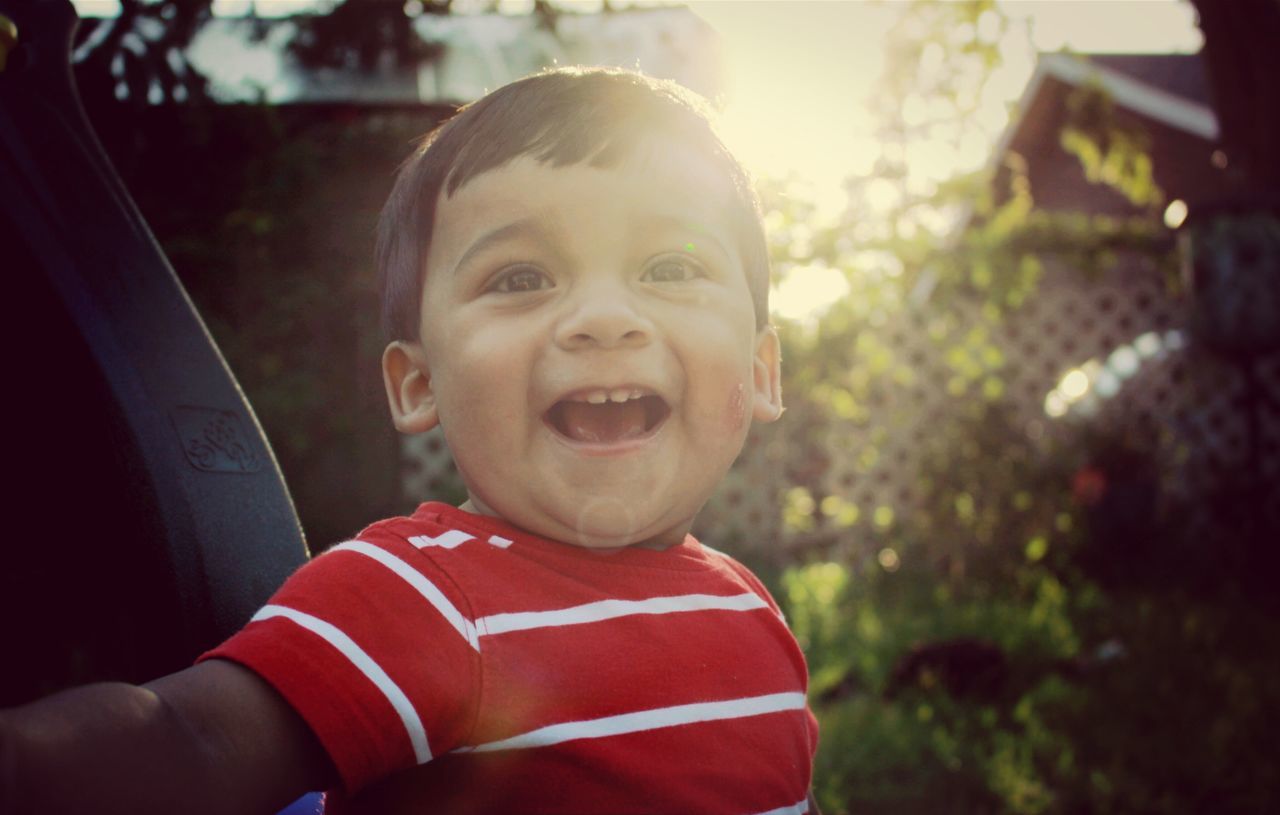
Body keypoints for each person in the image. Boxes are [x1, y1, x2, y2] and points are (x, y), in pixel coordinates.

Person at [0, 66, 817, 815]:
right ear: (418, 383)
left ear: (761, 368)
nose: (605, 317)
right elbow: (187, 741)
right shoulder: (423, 596)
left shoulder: (747, 604)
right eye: (521, 277)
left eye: (670, 268)